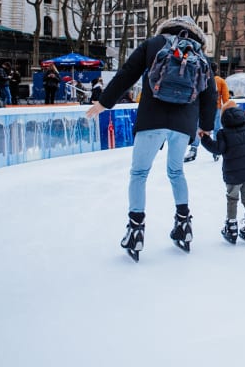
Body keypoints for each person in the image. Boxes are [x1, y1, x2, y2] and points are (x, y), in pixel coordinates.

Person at [85, 16, 217, 260]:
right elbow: (210, 93)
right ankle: (184, 225)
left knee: (139, 173)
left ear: (167, 27)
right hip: (183, 122)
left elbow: (127, 74)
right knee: (176, 172)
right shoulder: (199, 52)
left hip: (151, 118)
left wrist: (105, 102)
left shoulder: (153, 43)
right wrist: (206, 126)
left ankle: (135, 229)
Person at [199, 100, 245, 244]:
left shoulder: (224, 133)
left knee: (232, 199)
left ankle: (231, 227)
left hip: (233, 175)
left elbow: (217, 149)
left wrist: (204, 139)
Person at [185, 61, 230, 162]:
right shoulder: (220, 81)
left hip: (201, 108)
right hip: (216, 108)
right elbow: (226, 98)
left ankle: (193, 148)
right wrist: (226, 109)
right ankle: (216, 149)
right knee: (216, 129)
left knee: (198, 128)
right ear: (217, 70)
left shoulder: (201, 78)